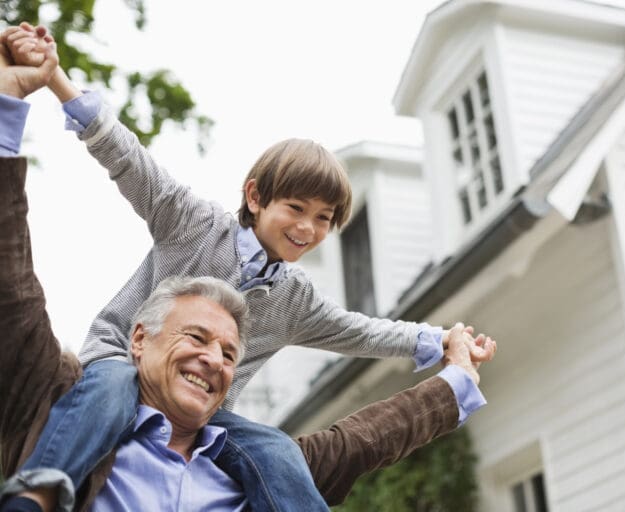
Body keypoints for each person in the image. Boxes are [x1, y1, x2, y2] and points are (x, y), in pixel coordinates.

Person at [0, 26, 497, 512]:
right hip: (118, 367)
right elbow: (127, 158)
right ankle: (40, 489)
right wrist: (54, 80)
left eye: (323, 219)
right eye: (296, 208)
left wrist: (439, 340)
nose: (307, 228)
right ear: (256, 197)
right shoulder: (191, 224)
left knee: (276, 450)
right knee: (110, 394)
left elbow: (362, 332)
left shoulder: (296, 301)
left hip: (204, 411)